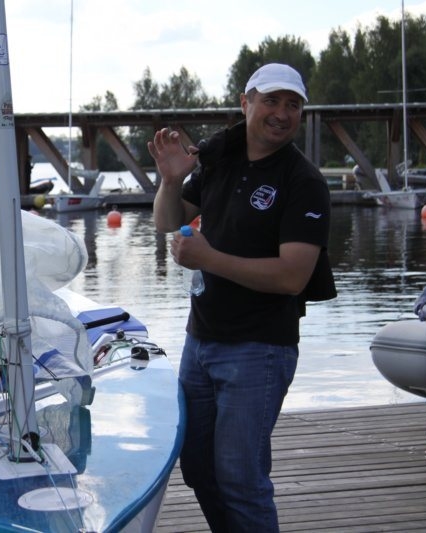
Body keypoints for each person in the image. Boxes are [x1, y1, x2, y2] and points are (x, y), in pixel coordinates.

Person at [148, 63, 336, 532]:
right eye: (271, 100)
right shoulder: (221, 159)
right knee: (198, 467)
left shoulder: (304, 181)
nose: (282, 113)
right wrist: (170, 182)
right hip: (200, 341)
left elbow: (292, 277)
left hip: (260, 348)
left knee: (240, 478)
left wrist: (208, 258)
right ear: (245, 102)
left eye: (292, 105)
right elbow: (168, 221)